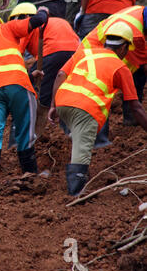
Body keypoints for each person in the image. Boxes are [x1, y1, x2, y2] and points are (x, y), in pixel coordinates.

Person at [48, 22, 147, 196]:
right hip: (85, 109)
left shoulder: (85, 53)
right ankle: (74, 194)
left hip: (63, 101)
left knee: (78, 136)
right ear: (124, 47)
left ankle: (75, 173)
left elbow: (60, 75)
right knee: (81, 152)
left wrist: (54, 106)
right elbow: (136, 108)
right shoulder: (121, 67)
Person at [0, 7, 50, 184]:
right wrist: (43, 13)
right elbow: (34, 22)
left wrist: (30, 76)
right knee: (24, 130)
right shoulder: (6, 28)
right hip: (17, 85)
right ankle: (31, 176)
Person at [9, 2, 79, 138]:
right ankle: (68, 132)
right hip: (76, 54)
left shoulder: (26, 27)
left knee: (30, 91)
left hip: (52, 51)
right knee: (64, 92)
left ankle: (24, 136)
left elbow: (16, 55)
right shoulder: (59, 21)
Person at [79, 5, 147, 127]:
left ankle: (131, 118)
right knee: (100, 91)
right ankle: (100, 135)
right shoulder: (135, 34)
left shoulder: (140, 11)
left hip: (100, 47)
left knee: (136, 73)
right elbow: (144, 62)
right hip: (92, 54)